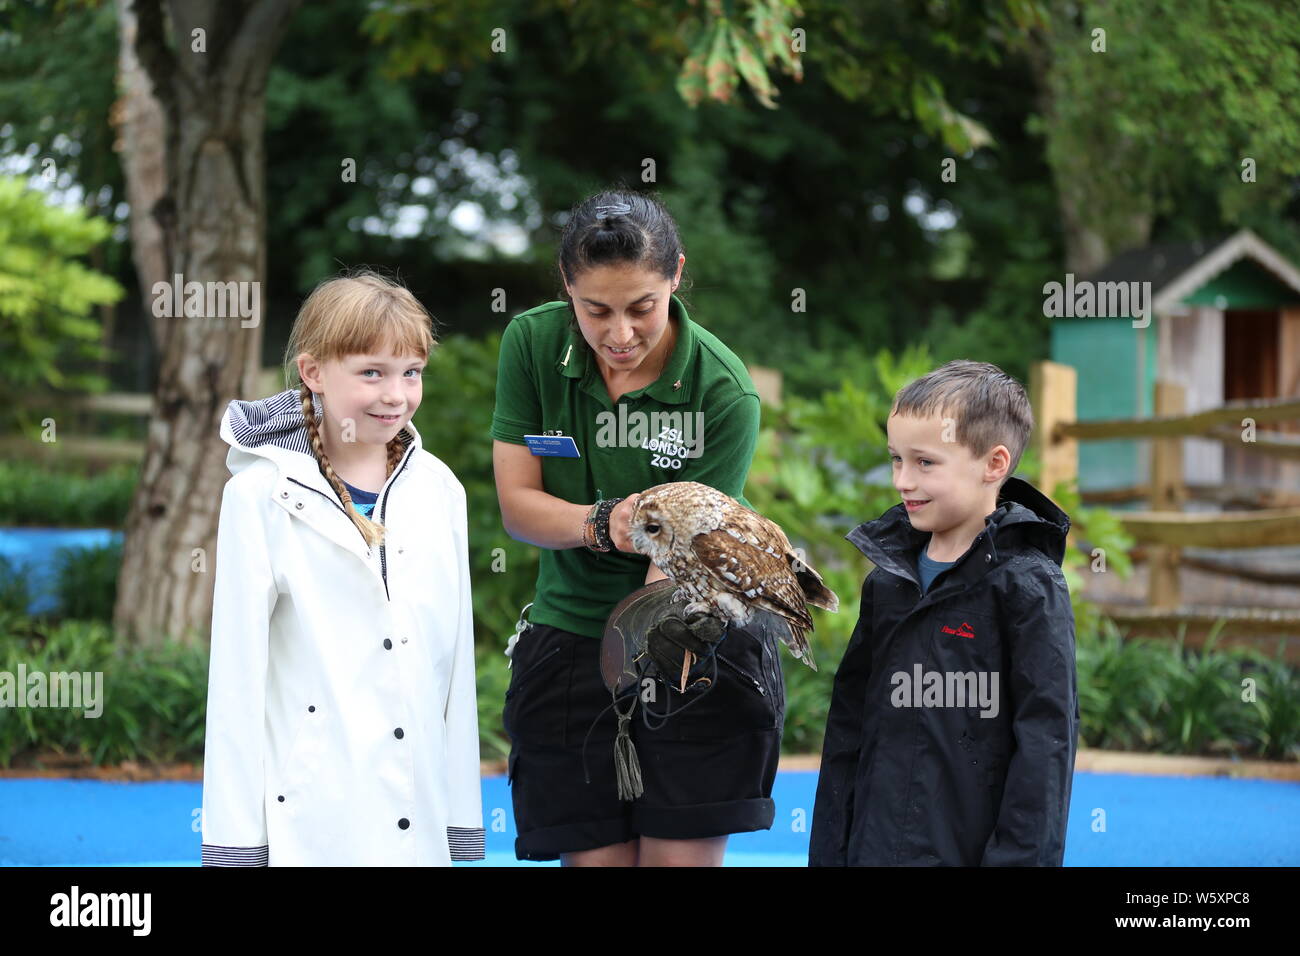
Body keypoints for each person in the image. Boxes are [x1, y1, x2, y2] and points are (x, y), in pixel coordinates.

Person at [491, 189, 779, 866]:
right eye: (596, 311)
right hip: (564, 642)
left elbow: (679, 563)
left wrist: (637, 657)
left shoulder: (722, 390)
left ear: (675, 275)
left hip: (687, 639)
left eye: (641, 307)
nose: (620, 334)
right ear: (567, 288)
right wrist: (604, 524)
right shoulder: (532, 343)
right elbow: (518, 507)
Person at [200, 270, 484, 866]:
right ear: (313, 372)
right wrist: (234, 848)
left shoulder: (440, 491)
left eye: (412, 372)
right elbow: (236, 683)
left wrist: (462, 829)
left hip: (422, 820)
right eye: (371, 372)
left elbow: (455, 676)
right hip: (311, 820)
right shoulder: (259, 495)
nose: (396, 395)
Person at [809, 360, 1079, 866]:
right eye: (896, 460)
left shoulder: (1029, 586)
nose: (903, 481)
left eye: (925, 463)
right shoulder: (887, 583)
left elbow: (1046, 747)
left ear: (994, 464)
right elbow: (848, 730)